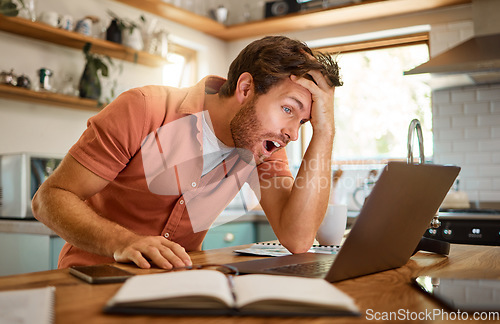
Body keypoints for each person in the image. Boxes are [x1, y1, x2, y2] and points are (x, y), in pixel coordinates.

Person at [32, 35, 342, 270]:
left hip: (177, 286)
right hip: (94, 277)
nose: (292, 132)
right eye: (288, 109)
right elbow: (50, 197)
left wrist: (325, 131)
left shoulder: (262, 148)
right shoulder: (143, 109)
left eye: (304, 121)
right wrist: (124, 242)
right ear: (245, 89)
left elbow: (298, 239)